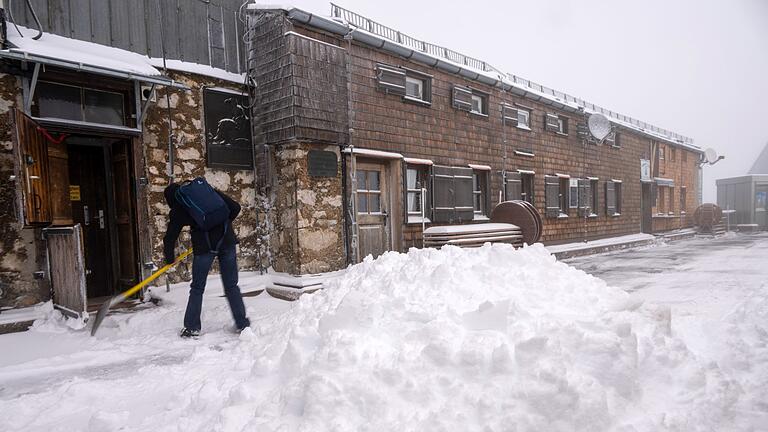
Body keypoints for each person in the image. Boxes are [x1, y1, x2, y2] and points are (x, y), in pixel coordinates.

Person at [163, 182, 250, 338]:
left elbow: (169, 238)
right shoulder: (208, 193)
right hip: (227, 240)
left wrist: (170, 259)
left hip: (205, 247)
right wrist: (221, 223)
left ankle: (192, 327)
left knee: (197, 287)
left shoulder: (178, 209)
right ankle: (242, 324)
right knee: (231, 285)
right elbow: (235, 207)